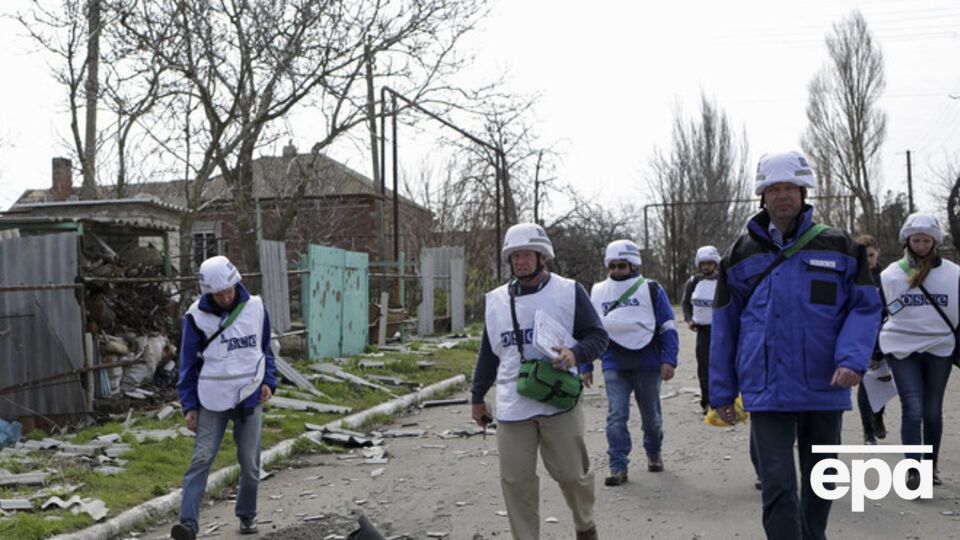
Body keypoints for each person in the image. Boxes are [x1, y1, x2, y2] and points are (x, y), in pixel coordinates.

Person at [710, 151, 881, 540]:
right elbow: (724, 327)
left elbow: (865, 308)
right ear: (762, 196)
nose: (782, 196)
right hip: (766, 387)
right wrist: (722, 390)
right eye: (774, 189)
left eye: (790, 188)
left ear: (804, 193)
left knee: (821, 480)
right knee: (777, 483)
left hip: (825, 383)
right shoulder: (738, 255)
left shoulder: (841, 247)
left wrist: (853, 359)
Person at [470, 223, 608, 540]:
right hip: (512, 402)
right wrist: (478, 396)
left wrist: (575, 354)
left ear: (542, 257)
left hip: (558, 400)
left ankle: (585, 525)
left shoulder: (569, 291)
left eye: (526, 255)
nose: (520, 262)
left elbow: (599, 336)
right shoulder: (495, 300)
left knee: (572, 475)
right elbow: (488, 353)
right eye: (515, 256)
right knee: (516, 482)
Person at [171, 256, 277, 540]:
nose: (226, 297)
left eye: (230, 290)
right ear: (208, 292)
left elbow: (265, 348)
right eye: (219, 294)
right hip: (211, 399)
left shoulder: (255, 307)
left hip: (249, 395)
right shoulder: (196, 317)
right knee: (201, 459)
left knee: (250, 464)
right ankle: (188, 524)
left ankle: (246, 515)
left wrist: (269, 381)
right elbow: (188, 364)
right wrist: (189, 406)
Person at [877, 213, 959, 488]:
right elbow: (880, 312)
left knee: (932, 410)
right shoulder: (891, 274)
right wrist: (874, 353)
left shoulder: (954, 274)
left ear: (934, 242)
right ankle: (914, 471)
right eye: (916, 240)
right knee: (912, 408)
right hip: (901, 349)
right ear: (907, 241)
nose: (921, 245)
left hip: (940, 347)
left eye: (926, 240)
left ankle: (930, 466)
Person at [589, 239, 678, 486]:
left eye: (622, 266)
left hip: (648, 362)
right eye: (613, 266)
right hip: (613, 361)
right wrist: (585, 365)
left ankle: (653, 451)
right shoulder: (597, 291)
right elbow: (588, 330)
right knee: (616, 414)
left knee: (651, 418)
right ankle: (617, 466)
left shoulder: (651, 289)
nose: (617, 271)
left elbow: (668, 325)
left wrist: (669, 359)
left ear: (634, 265)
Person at [854, 234, 887, 445]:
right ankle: (867, 430)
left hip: (884, 337)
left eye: (871, 255)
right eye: (864, 256)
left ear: (878, 253)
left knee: (882, 381)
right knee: (865, 385)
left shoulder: (887, 278)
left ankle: (877, 416)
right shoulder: (853, 277)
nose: (868, 260)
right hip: (860, 338)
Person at [682, 245, 721, 415]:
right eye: (703, 264)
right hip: (702, 332)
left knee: (723, 365)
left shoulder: (724, 281)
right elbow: (685, 303)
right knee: (704, 367)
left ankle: (725, 400)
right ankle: (707, 402)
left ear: (715, 264)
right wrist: (689, 319)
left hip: (721, 331)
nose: (706, 267)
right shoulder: (694, 282)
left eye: (709, 263)